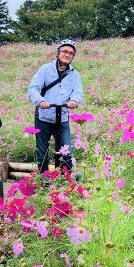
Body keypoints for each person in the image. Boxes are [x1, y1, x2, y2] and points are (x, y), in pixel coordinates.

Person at [28, 39, 83, 174]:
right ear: (58, 53)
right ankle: (43, 182)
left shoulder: (74, 74)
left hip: (62, 117)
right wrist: (40, 101)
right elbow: (33, 88)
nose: (67, 55)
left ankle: (65, 181)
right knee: (42, 152)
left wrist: (74, 101)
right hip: (44, 117)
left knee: (66, 151)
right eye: (65, 51)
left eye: (71, 53)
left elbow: (78, 91)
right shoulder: (45, 69)